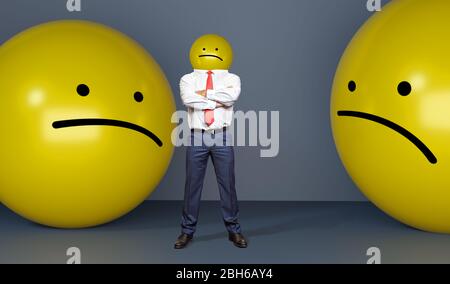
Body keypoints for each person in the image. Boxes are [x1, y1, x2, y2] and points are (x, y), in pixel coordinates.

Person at [174, 34, 247, 249]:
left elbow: (231, 98)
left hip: (222, 135)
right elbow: (188, 99)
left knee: (228, 184)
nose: (210, 52)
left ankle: (234, 230)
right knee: (192, 185)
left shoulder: (232, 79)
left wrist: (205, 93)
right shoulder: (187, 79)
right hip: (197, 136)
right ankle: (187, 232)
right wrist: (217, 98)